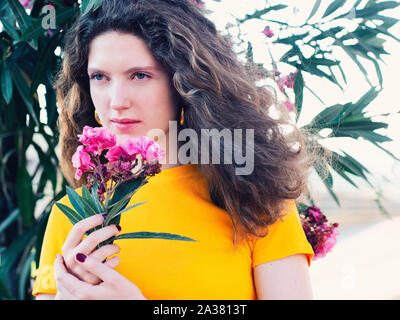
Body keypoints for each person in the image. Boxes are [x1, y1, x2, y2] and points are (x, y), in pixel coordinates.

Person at [33, 0, 315, 300]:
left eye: (140, 75)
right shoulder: (72, 217)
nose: (116, 101)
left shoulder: (255, 199)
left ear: (185, 82)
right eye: (100, 77)